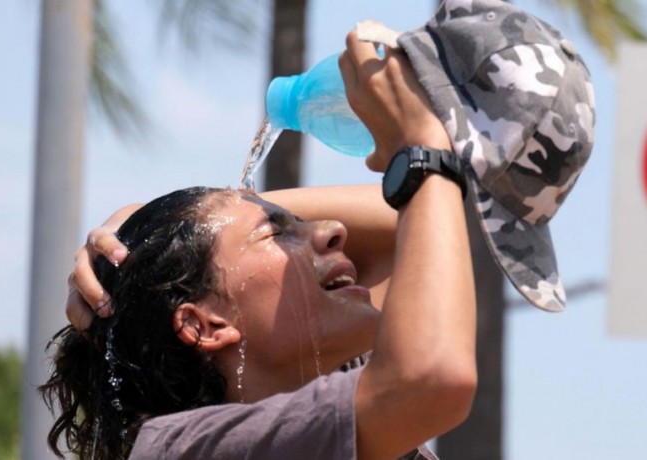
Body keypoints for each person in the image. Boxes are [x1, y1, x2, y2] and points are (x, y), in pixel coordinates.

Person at [43, 30, 476, 460]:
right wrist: (422, 147)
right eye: (276, 233)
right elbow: (433, 376)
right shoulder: (182, 449)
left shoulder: (322, 415)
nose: (334, 230)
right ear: (204, 325)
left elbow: (424, 221)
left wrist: (194, 211)